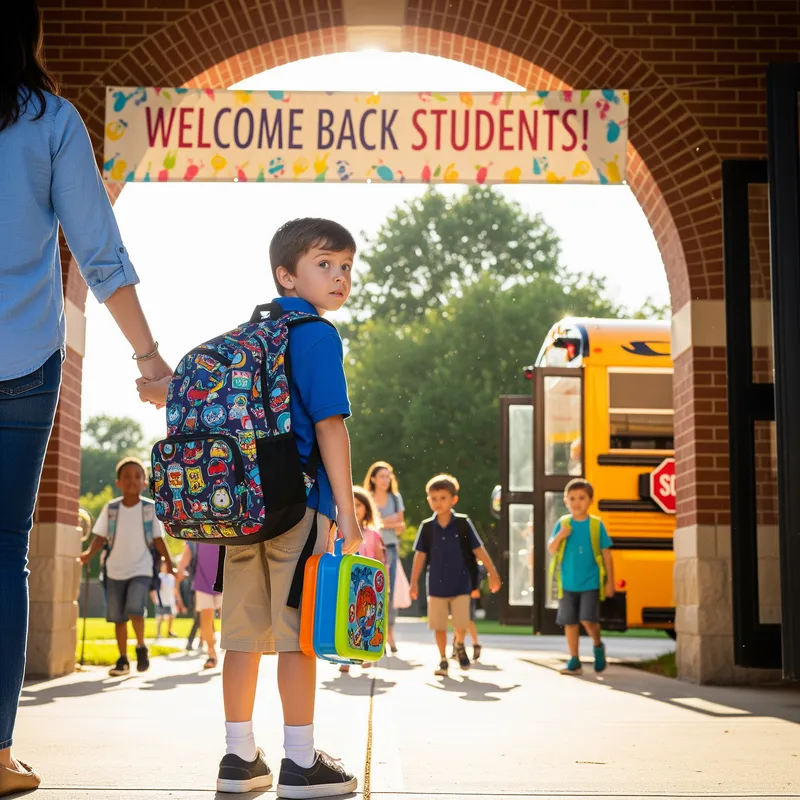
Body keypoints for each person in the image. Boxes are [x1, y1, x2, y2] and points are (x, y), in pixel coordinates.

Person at [0, 4, 171, 789]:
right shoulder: (50, 119)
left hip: (27, 367)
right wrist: (150, 359)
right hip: (24, 364)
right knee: (5, 554)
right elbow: (99, 252)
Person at [138, 218, 362, 797]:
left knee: (240, 637)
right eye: (325, 264)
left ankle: (239, 758)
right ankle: (300, 761)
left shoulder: (244, 338)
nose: (339, 277)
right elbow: (330, 425)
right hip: (298, 508)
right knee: (297, 637)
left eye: (346, 267)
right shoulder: (315, 335)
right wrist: (349, 511)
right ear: (286, 275)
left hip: (237, 511)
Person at [79, 458, 176, 676]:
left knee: (135, 608)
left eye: (137, 476)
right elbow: (100, 536)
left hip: (141, 569)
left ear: (144, 482)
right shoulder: (111, 508)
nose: (132, 480)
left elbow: (160, 540)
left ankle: (140, 646)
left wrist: (170, 565)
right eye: (127, 476)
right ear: (118, 482)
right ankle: (123, 659)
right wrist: (87, 555)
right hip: (114, 570)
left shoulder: (150, 509)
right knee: (118, 617)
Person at [410, 474, 502, 677]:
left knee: (462, 622)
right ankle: (443, 659)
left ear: (454, 500)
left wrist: (493, 573)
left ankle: (459, 644)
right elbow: (420, 556)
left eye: (443, 498)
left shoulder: (462, 523)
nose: (438, 502)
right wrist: (413, 582)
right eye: (433, 498)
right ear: (428, 500)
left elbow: (479, 550)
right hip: (436, 585)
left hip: (462, 583)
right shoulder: (427, 527)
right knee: (439, 626)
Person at [547, 478, 615, 675]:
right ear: (566, 501)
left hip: (590, 582)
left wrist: (610, 582)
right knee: (570, 622)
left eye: (582, 498)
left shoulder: (596, 525)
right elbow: (552, 549)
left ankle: (597, 645)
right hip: (567, 583)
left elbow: (607, 555)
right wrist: (561, 535)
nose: (577, 502)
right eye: (572, 498)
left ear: (590, 501)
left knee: (588, 619)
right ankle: (574, 659)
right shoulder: (563, 523)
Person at [339, 486, 386, 674]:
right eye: (352, 505)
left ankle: (363, 653)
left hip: (369, 591)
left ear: (366, 508)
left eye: (358, 505)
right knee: (345, 621)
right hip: (346, 587)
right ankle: (344, 657)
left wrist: (382, 588)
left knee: (366, 622)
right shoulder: (339, 532)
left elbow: (380, 562)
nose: (356, 508)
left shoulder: (373, 535)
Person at [364, 461, 405, 653]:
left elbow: (401, 527)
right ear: (373, 478)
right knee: (370, 591)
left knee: (389, 591)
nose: (385, 480)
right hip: (371, 548)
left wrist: (382, 522)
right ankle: (371, 630)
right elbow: (368, 524)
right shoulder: (367, 499)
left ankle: (390, 633)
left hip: (390, 548)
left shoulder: (395, 499)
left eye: (388, 476)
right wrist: (387, 522)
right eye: (381, 476)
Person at [178, 542, 223, 669]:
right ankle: (211, 654)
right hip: (202, 582)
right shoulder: (195, 536)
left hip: (225, 581)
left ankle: (231, 649)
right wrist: (181, 569)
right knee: (206, 621)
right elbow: (186, 556)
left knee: (228, 619)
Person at [152, 557, 183, 640]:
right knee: (160, 617)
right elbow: (156, 589)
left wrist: (177, 601)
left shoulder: (171, 577)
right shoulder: (159, 577)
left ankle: (169, 631)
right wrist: (155, 598)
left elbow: (174, 590)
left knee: (171, 616)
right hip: (161, 601)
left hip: (170, 601)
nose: (165, 567)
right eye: (163, 565)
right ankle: (158, 633)